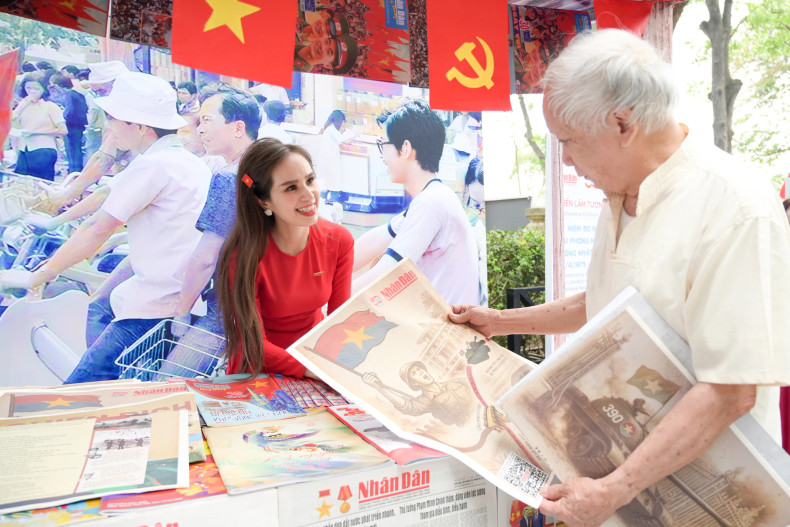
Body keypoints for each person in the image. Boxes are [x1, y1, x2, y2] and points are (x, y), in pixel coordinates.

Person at [448, 29, 790, 526]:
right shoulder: (622, 195)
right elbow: (612, 305)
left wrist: (615, 489)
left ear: (623, 123)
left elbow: (731, 391)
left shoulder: (735, 209)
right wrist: (498, 321)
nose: (565, 159)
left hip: (707, 501)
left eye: (569, 141)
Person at [0, 72, 212, 383]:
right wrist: (60, 214)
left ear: (138, 126)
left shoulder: (154, 165)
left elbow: (99, 227)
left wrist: (39, 274)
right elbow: (108, 195)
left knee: (79, 392)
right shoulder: (183, 161)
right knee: (98, 309)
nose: (109, 126)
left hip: (156, 301)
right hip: (172, 292)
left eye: (114, 118)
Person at [216, 139, 354, 378]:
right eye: (291, 188)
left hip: (313, 364)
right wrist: (314, 371)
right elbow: (253, 345)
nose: (308, 195)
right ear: (263, 200)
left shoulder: (339, 240)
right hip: (259, 371)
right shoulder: (243, 256)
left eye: (310, 180)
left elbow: (340, 322)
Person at [160, 89, 262, 377]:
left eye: (207, 120)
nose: (200, 129)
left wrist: (182, 309)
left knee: (168, 384)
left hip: (231, 304)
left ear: (238, 128)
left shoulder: (229, 176)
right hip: (268, 299)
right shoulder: (272, 162)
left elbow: (206, 256)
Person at [352, 99, 479, 306]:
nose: (382, 155)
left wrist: (321, 307)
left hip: (440, 333)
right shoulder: (434, 196)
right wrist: (326, 274)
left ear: (405, 148)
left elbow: (384, 276)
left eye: (384, 145)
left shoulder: (431, 203)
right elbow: (375, 241)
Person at [46, 60, 130, 211]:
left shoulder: (126, 112)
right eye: (96, 92)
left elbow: (103, 159)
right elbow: (102, 155)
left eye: (102, 91)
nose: (98, 96)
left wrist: (68, 193)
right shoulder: (117, 111)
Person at [362, 361, 474, 426]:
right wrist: (381, 388)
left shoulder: (456, 381)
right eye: (414, 373)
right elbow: (408, 407)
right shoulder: (426, 400)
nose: (420, 373)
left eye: (419, 369)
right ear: (414, 382)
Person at [11, 73, 67, 181]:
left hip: (44, 148)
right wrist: (23, 104)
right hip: (24, 148)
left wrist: (36, 132)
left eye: (36, 88)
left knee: (41, 183)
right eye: (28, 88)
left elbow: (62, 130)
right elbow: (12, 119)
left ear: (44, 88)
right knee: (21, 182)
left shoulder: (50, 106)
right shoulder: (23, 105)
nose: (32, 91)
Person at [49, 73, 88, 173]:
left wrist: (62, 119)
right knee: (76, 148)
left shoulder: (69, 94)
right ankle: (76, 170)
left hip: (71, 125)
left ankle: (74, 170)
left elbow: (69, 111)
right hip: (79, 125)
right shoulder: (76, 93)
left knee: (71, 150)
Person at [318, 109, 356, 203]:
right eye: (343, 122)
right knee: (332, 185)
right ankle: (330, 205)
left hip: (327, 161)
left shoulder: (329, 129)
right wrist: (355, 134)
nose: (343, 125)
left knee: (326, 186)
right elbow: (343, 141)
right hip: (330, 162)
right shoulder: (331, 129)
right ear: (340, 121)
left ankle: (325, 205)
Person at [293, 34, 358, 76]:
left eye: (329, 52)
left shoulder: (296, 73)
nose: (322, 46)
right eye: (326, 41)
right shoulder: (296, 37)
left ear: (327, 65)